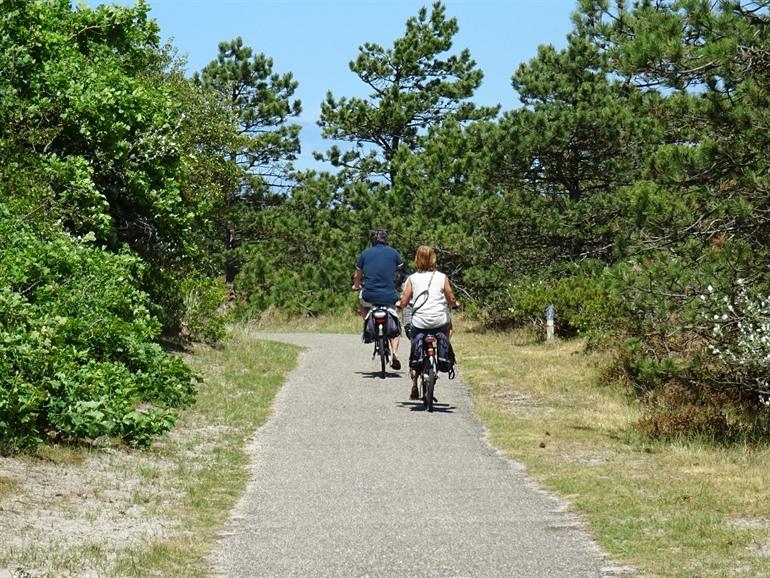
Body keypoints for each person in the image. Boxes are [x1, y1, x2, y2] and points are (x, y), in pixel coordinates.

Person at [398, 245, 459, 400]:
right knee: (449, 328)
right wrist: (454, 304)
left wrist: (400, 304)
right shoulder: (442, 277)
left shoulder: (412, 279)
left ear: (417, 259)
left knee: (415, 341)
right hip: (439, 321)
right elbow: (450, 297)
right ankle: (442, 348)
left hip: (420, 321)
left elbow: (404, 300)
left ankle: (414, 381)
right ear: (434, 258)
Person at [352, 228, 405, 370]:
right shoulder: (394, 253)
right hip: (389, 295)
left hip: (369, 295)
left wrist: (356, 285)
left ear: (372, 240)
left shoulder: (365, 254)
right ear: (385, 239)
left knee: (362, 303)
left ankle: (368, 322)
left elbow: (358, 275)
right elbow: (400, 273)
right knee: (395, 322)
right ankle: (395, 352)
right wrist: (396, 286)